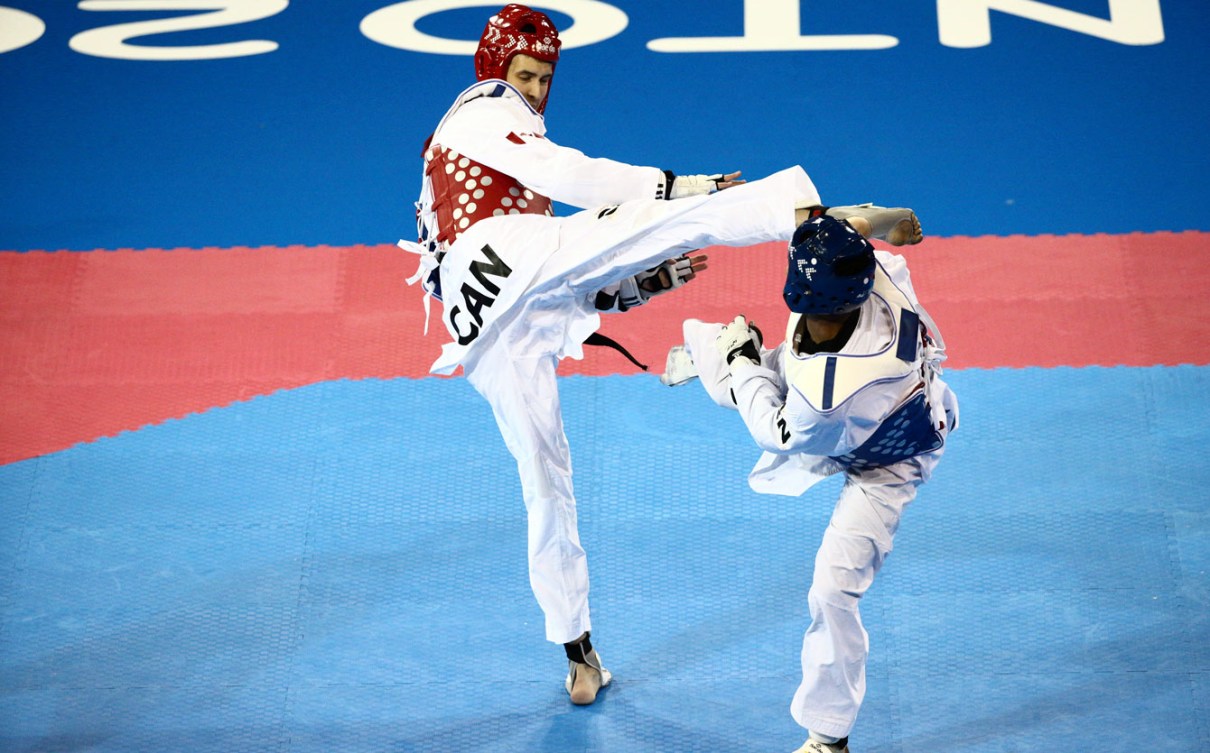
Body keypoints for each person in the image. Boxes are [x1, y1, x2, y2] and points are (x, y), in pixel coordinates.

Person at [399, 2, 922, 707]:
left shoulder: (490, 150)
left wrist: (620, 293)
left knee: (547, 479)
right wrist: (678, 185)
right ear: (493, 68)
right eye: (525, 74)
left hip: (489, 320)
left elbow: (553, 274)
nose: (536, 91)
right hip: (498, 265)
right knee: (666, 218)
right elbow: (570, 179)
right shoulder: (483, 109)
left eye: (546, 77)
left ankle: (577, 649)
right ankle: (811, 215)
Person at [660, 214, 958, 752]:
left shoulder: (829, 394)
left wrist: (742, 363)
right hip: (861, 401)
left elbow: (775, 432)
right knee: (733, 355)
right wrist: (889, 222)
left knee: (832, 592)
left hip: (888, 458)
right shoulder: (872, 272)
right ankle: (712, 361)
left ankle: (829, 739)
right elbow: (845, 225)